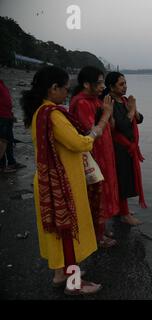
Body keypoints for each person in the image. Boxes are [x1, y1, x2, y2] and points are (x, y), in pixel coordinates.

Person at [21, 66, 112, 295]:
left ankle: (60, 274)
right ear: (53, 89)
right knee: (68, 230)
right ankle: (73, 283)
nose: (67, 93)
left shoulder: (39, 112)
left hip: (47, 179)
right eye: (64, 89)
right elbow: (80, 143)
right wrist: (101, 125)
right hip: (62, 182)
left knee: (57, 232)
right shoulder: (52, 114)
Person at [70, 66, 120, 248]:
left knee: (105, 191)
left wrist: (109, 113)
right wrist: (106, 114)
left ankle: (101, 228)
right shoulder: (81, 103)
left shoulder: (96, 101)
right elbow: (90, 132)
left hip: (105, 153)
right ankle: (97, 236)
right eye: (98, 82)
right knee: (97, 194)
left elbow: (109, 126)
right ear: (86, 84)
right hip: (93, 155)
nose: (102, 86)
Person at [102, 72, 147, 225]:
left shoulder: (124, 100)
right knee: (122, 181)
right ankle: (124, 215)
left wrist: (134, 108)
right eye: (121, 84)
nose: (125, 86)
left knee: (127, 179)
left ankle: (121, 209)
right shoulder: (109, 103)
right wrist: (131, 110)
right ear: (111, 87)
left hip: (128, 147)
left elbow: (139, 119)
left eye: (125, 83)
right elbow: (121, 125)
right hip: (118, 147)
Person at [0, 79, 26, 173]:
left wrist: (11, 114)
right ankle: (2, 166)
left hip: (7, 117)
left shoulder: (2, 83)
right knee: (2, 142)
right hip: (1, 117)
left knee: (9, 142)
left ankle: (12, 162)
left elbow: (5, 102)